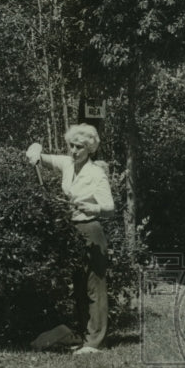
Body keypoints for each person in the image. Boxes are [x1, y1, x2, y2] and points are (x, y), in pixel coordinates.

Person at [26, 123, 115, 355]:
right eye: (72, 146)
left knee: (95, 285)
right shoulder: (67, 163)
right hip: (72, 230)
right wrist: (34, 150)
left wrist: (90, 207)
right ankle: (86, 337)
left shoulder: (96, 174)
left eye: (80, 147)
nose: (74, 151)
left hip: (91, 230)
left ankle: (96, 341)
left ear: (90, 150)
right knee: (78, 286)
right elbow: (41, 157)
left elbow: (110, 208)